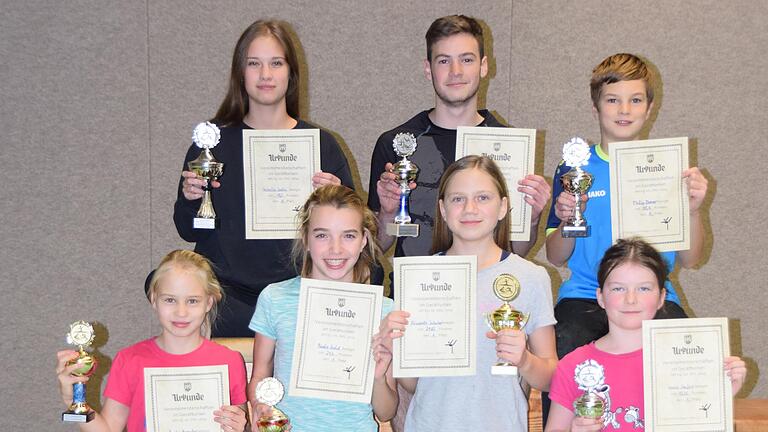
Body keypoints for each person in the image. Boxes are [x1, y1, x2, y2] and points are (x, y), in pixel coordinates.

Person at [172, 19, 355, 337]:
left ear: (291, 72)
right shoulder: (212, 143)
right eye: (254, 64)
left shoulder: (320, 145)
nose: (266, 75)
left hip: (300, 297)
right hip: (228, 301)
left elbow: (353, 235)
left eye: (276, 63)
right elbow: (187, 229)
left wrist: (338, 201)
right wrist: (190, 200)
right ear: (240, 73)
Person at [545, 52, 709, 365]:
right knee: (566, 360)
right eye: (612, 100)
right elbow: (555, 256)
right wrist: (567, 219)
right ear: (595, 108)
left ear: (649, 108)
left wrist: (693, 210)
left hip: (653, 297)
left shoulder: (669, 168)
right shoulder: (574, 168)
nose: (624, 110)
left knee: (689, 365)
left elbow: (692, 259)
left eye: (635, 100)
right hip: (585, 294)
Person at [375, 156, 557, 431]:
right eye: (458, 199)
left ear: (503, 207)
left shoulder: (531, 277)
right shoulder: (418, 278)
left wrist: (524, 360)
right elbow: (413, 384)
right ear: (443, 210)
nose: (470, 208)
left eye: (483, 197)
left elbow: (551, 377)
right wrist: (394, 350)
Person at [368, 14, 550, 261]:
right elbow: (374, 248)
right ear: (427, 68)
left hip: (484, 293)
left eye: (466, 59)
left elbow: (515, 251)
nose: (455, 71)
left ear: (483, 66)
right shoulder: (396, 143)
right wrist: (389, 214)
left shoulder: (510, 146)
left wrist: (533, 217)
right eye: (444, 61)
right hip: (415, 292)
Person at [545, 238, 746, 431]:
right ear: (600, 297)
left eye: (643, 288)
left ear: (661, 297)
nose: (630, 299)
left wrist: (721, 397)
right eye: (618, 288)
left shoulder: (685, 363)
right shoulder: (572, 365)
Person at [246, 185, 397, 431]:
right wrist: (261, 405)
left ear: (364, 241)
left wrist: (377, 377)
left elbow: (386, 411)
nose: (335, 249)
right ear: (306, 239)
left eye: (348, 235)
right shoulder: (275, 298)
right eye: (322, 235)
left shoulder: (382, 311)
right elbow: (260, 375)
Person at [56, 250, 248, 432]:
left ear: (209, 303)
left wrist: (241, 427)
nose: (181, 312)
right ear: (154, 299)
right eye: (170, 300)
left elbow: (237, 424)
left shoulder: (230, 361)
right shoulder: (130, 360)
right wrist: (72, 400)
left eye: (192, 301)